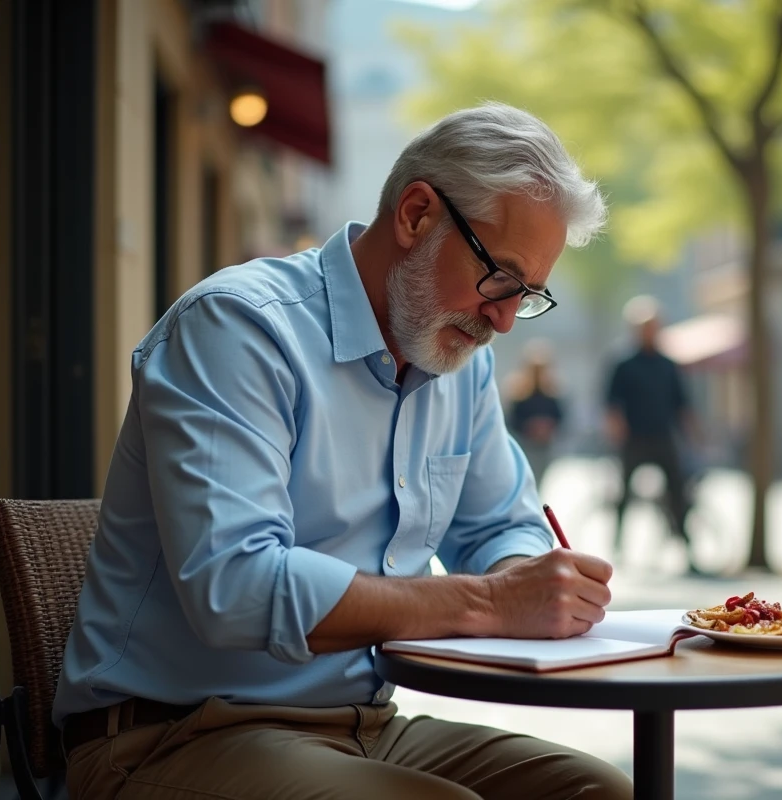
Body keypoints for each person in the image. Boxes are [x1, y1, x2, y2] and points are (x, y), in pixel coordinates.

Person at [53, 104, 631, 800]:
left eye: (529, 294)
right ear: (417, 214)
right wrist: (487, 601)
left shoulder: (459, 363)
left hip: (364, 724)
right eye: (500, 277)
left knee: (595, 790)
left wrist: (533, 584)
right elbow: (233, 588)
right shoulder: (239, 329)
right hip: (169, 736)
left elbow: (499, 526)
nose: (504, 319)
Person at [604, 296, 699, 573]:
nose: (650, 331)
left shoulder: (668, 365)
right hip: (634, 439)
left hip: (663, 436)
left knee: (678, 492)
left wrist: (694, 435)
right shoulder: (623, 364)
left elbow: (682, 403)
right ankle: (618, 547)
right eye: (645, 327)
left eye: (655, 326)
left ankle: (688, 551)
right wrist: (616, 431)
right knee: (623, 494)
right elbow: (612, 404)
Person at [506, 339, 564, 490]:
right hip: (526, 445)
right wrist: (530, 427)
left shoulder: (552, 393)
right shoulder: (519, 393)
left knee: (539, 481)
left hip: (544, 446)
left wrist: (547, 427)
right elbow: (511, 420)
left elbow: (560, 417)